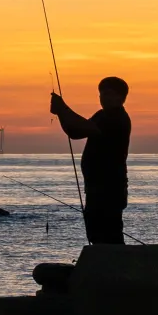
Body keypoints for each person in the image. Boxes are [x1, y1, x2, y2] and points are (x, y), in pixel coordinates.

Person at [50, 76, 131, 245]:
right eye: (101, 94)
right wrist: (61, 112)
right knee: (96, 233)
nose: (103, 98)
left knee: (109, 235)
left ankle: (114, 261)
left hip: (109, 189)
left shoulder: (116, 118)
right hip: (95, 188)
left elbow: (83, 127)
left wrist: (63, 108)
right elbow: (74, 132)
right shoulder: (102, 115)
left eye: (108, 94)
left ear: (120, 97)